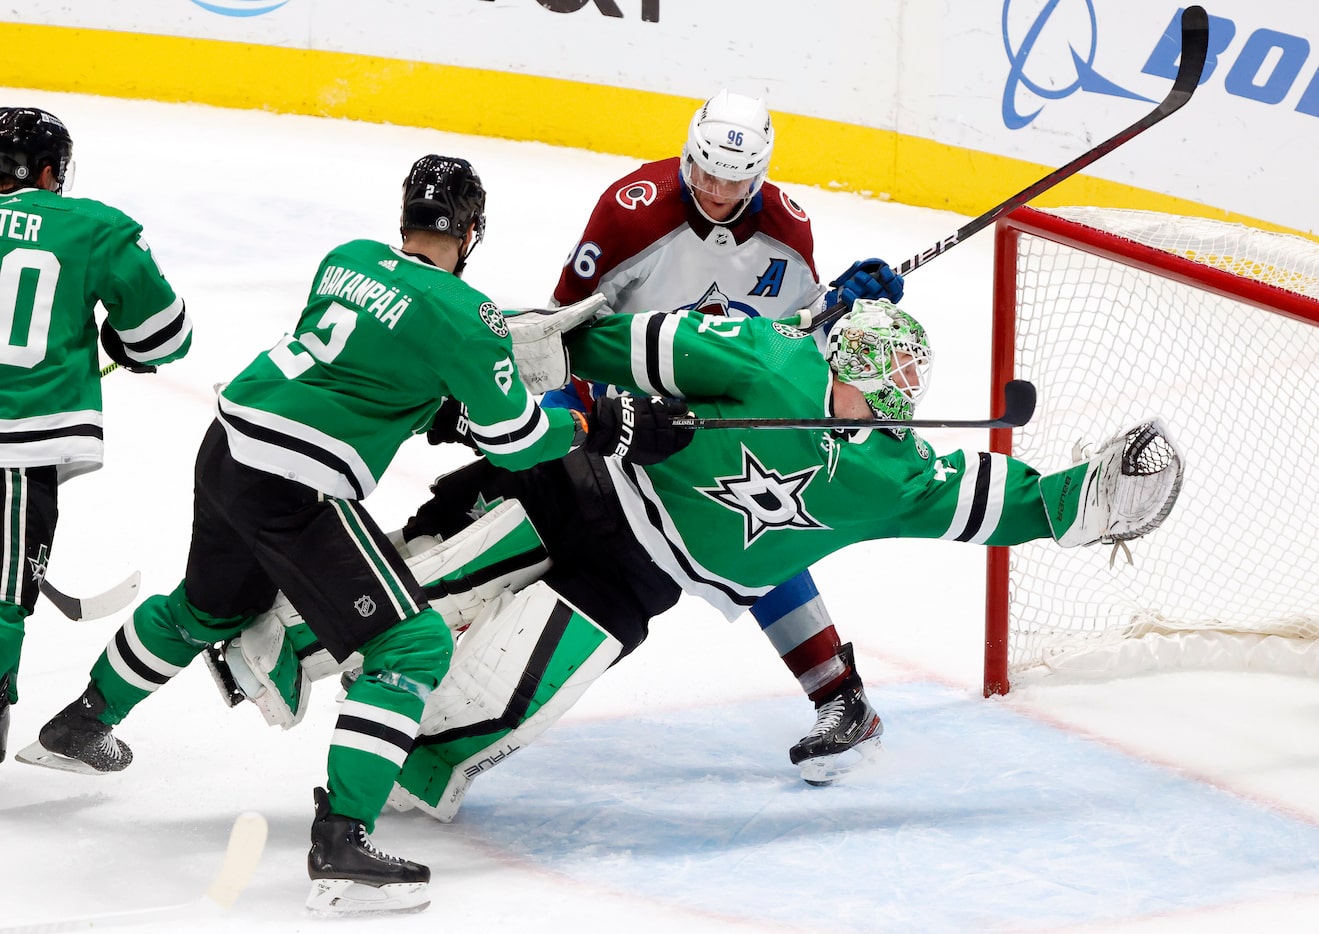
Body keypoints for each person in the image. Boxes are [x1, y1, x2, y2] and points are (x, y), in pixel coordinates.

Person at [16, 154, 690, 917]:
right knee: (413, 647)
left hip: (229, 443)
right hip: (295, 482)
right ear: (472, 231)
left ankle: (80, 722)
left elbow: (363, 366)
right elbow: (515, 441)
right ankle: (343, 841)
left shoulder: (347, 261)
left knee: (210, 607)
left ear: (406, 216)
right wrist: (604, 424)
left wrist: (441, 406)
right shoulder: (469, 317)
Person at [375, 299, 1184, 819]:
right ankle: (280, 635)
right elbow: (600, 344)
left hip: (640, 578)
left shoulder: (893, 473)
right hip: (578, 491)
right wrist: (511, 370)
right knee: (404, 595)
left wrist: (1078, 500)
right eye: (875, 384)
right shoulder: (765, 359)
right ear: (839, 364)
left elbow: (1000, 499)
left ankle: (393, 782)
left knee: (493, 695)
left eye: (900, 394)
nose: (888, 406)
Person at [545, 87, 908, 781]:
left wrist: (844, 307)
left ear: (760, 173)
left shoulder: (786, 232)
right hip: (620, 414)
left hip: (709, 417)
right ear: (687, 155)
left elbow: (795, 346)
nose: (715, 190)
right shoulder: (631, 213)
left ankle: (840, 697)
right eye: (705, 172)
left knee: (755, 516)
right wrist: (573, 425)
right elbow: (562, 327)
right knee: (540, 517)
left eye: (734, 179)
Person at [0, 107, 192, 766]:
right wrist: (120, 338)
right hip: (19, 441)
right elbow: (166, 334)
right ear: (50, 170)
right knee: (2, 594)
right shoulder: (93, 228)